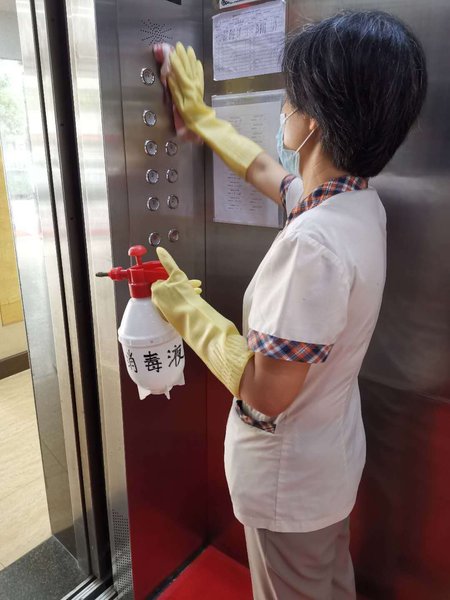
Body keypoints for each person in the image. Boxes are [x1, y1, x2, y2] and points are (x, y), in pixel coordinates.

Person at [151, 10, 427, 599]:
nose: (283, 110)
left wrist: (184, 310)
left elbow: (265, 391)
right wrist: (201, 118)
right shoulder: (355, 205)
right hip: (328, 466)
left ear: (312, 121)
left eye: (288, 98)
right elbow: (268, 172)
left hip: (288, 485)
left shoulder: (313, 245)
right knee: (329, 584)